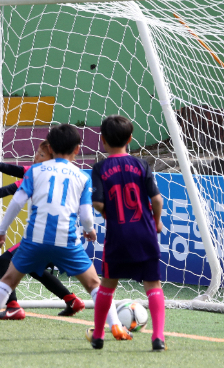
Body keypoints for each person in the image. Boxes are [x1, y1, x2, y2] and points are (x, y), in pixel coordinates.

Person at [0, 124, 131, 341]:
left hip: (35, 239)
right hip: (67, 240)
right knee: (94, 285)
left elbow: (16, 202)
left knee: (7, 280)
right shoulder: (82, 177)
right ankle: (117, 327)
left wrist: (1, 231)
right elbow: (86, 214)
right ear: (78, 149)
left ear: (50, 148)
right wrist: (89, 230)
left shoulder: (35, 171)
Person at [0, 140, 86, 319]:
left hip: (44, 236)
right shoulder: (54, 173)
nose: (36, 157)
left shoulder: (39, 177)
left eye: (41, 155)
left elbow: (10, 191)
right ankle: (72, 300)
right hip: (64, 237)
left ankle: (12, 307)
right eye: (37, 152)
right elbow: (15, 170)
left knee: (4, 261)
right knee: (36, 269)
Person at [89, 115, 166, 351]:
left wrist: (107, 214)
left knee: (107, 286)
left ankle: (100, 335)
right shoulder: (142, 165)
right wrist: (157, 221)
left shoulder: (100, 168)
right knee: (153, 285)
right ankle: (158, 337)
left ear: (102, 140)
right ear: (130, 139)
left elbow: (98, 204)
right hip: (144, 233)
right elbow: (156, 199)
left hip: (118, 236)